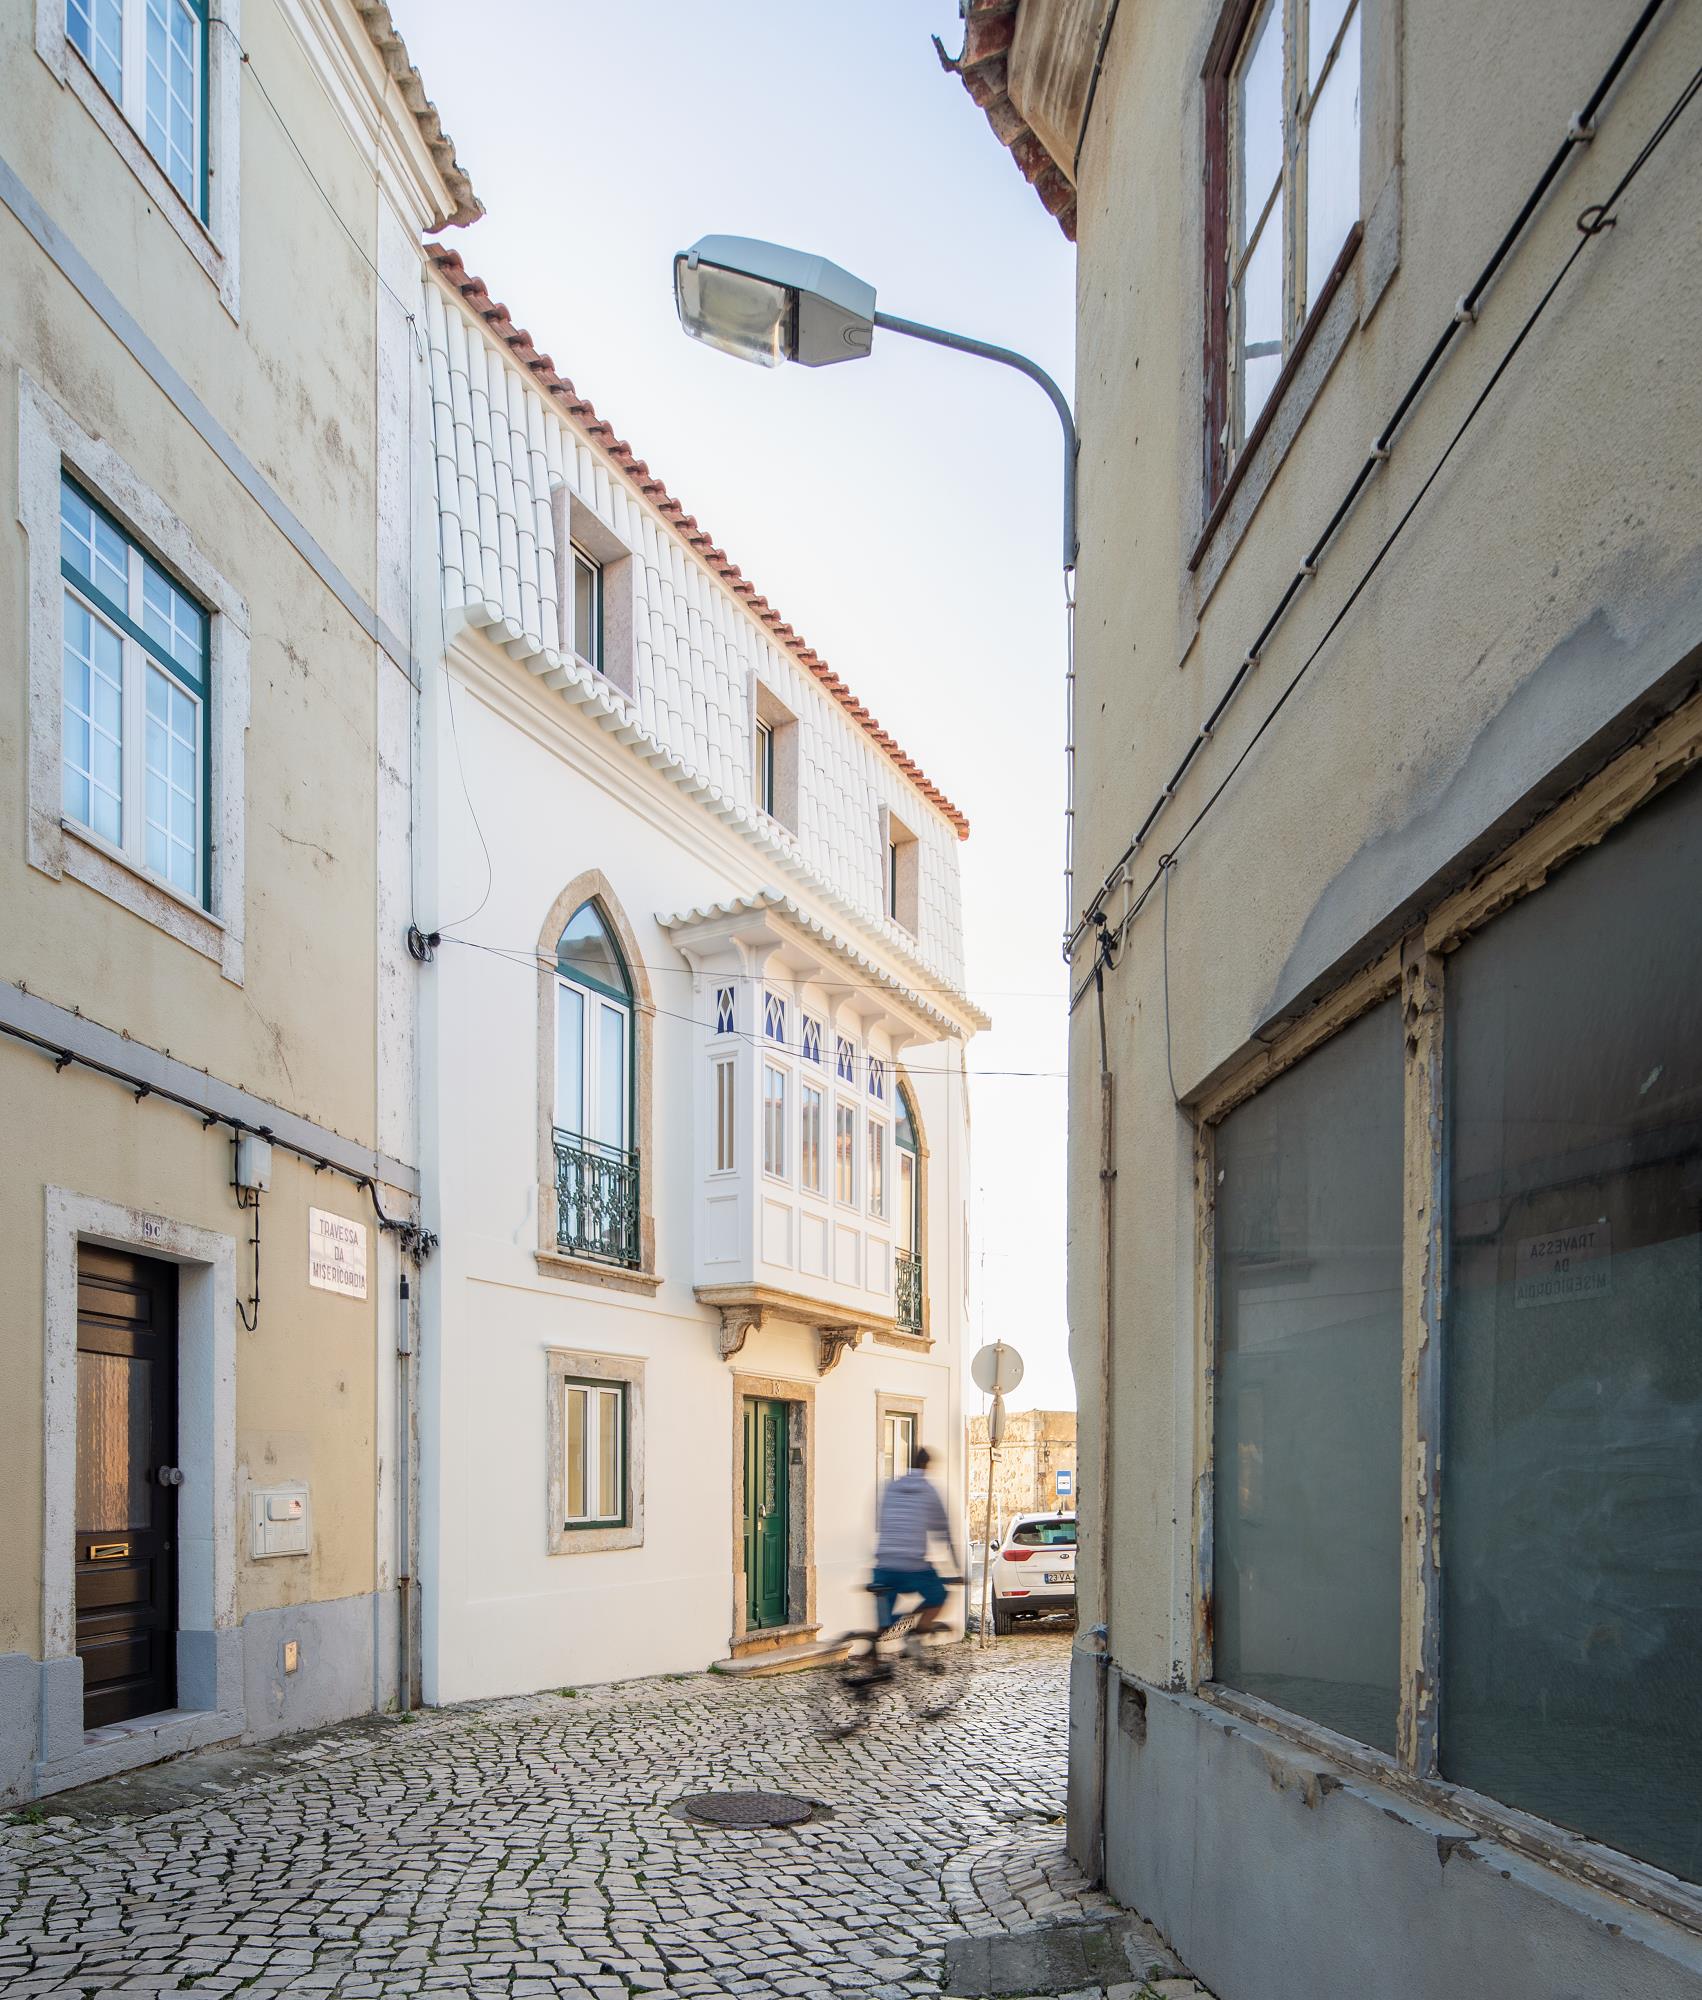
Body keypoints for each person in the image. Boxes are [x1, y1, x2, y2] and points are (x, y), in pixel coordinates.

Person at [872, 1445, 959, 1636]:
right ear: (927, 1465)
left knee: (884, 1623)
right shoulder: (928, 1491)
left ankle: (872, 1656)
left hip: (882, 1567)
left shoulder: (891, 1487)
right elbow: (943, 1532)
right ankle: (917, 1634)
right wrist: (956, 1567)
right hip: (912, 1567)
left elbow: (882, 1519)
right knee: (939, 1596)